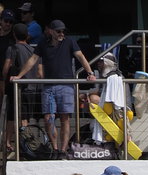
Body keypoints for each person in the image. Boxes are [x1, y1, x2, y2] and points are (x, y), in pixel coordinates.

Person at [11, 19, 96, 158]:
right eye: (58, 31)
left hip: (66, 85)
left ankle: (62, 150)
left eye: (63, 31)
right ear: (51, 31)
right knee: (48, 118)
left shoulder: (69, 41)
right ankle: (55, 149)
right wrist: (20, 76)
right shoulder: (43, 43)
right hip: (49, 86)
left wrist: (90, 73)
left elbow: (80, 56)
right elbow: (33, 59)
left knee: (65, 119)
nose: (61, 33)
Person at [3, 21, 42, 151]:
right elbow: (40, 73)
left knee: (11, 117)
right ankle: (24, 145)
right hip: (32, 88)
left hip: (17, 88)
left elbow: (6, 67)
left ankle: (8, 143)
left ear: (14, 35)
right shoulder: (34, 51)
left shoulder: (12, 48)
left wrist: (4, 80)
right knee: (25, 118)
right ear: (27, 36)